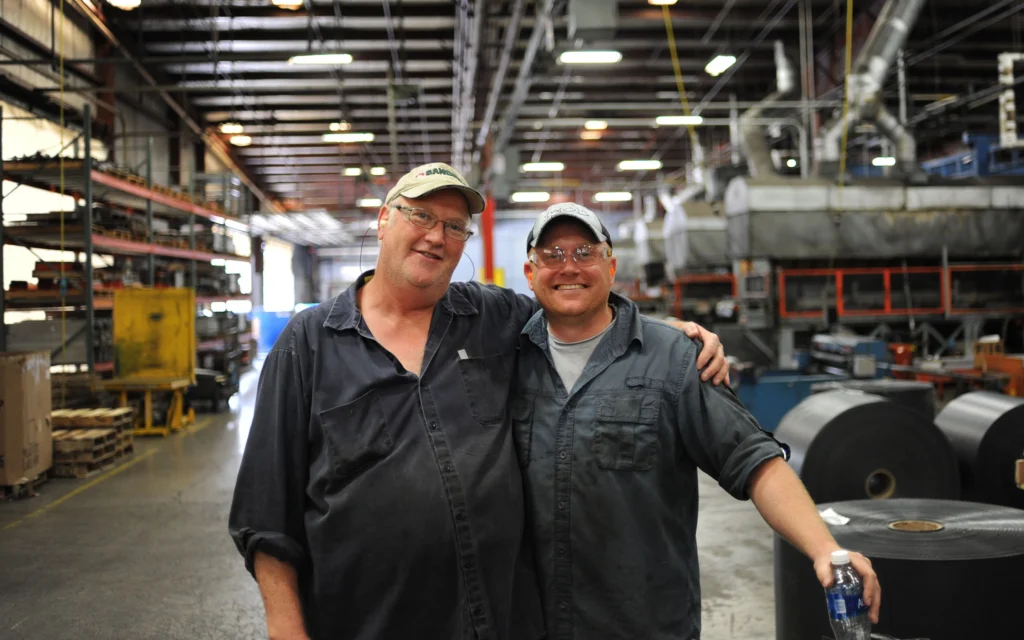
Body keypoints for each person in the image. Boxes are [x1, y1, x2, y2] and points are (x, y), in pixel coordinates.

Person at [228, 163, 731, 640]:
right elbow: (266, 512)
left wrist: (670, 335)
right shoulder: (310, 343)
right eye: (420, 215)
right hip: (366, 623)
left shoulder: (491, 317)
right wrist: (287, 628)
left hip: (500, 621)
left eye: (453, 226)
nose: (435, 235)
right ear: (384, 220)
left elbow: (578, 309)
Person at [513, 202, 882, 640]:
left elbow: (753, 459)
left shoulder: (675, 357)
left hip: (642, 624)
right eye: (552, 255)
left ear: (611, 267)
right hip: (530, 622)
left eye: (584, 253)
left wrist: (825, 549)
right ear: (530, 272)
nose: (568, 267)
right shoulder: (507, 356)